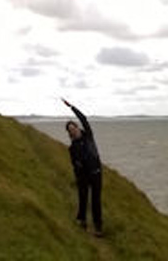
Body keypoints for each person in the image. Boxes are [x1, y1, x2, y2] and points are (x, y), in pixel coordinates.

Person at [62, 99, 103, 237]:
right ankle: (82, 221)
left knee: (96, 201)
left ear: (78, 127)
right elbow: (74, 164)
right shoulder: (72, 148)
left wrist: (71, 107)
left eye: (74, 128)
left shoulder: (88, 136)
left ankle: (98, 227)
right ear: (69, 133)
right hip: (83, 176)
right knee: (83, 198)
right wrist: (77, 176)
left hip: (96, 173)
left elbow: (84, 118)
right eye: (70, 130)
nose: (73, 131)